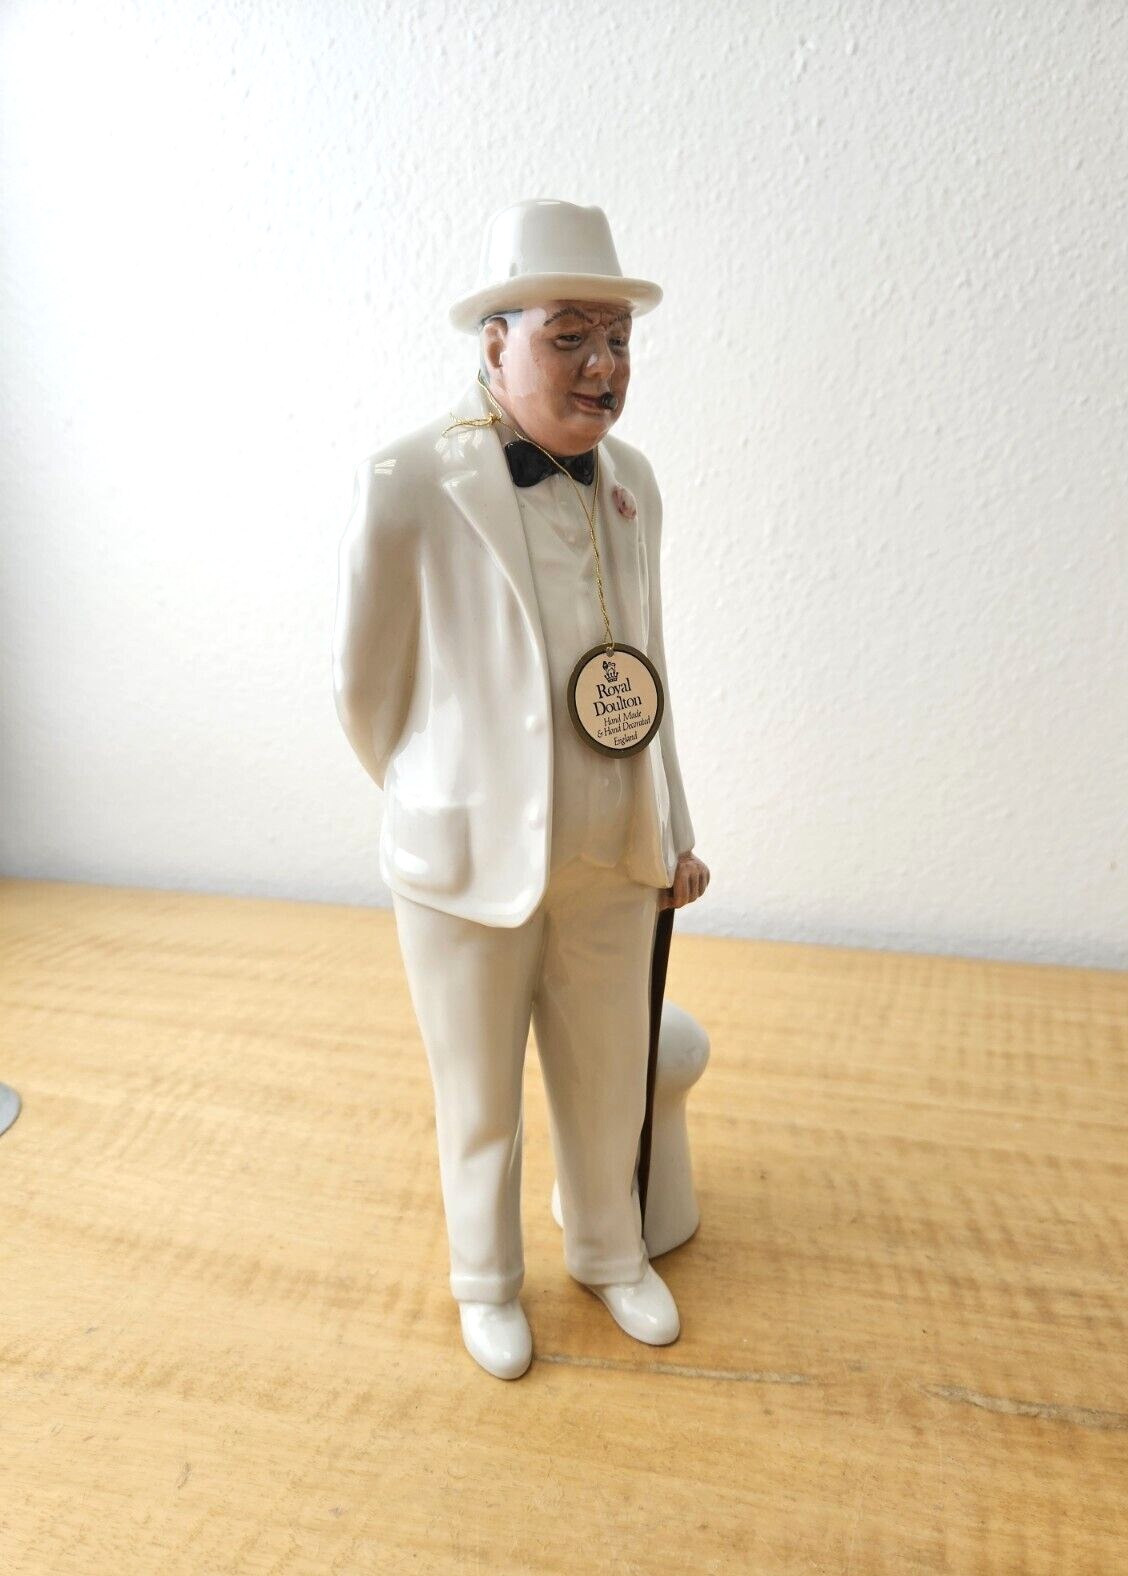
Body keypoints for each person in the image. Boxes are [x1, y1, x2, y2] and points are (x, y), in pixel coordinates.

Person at [333, 199, 709, 1379]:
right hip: (466, 858)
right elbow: (365, 687)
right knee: (480, 1093)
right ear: (494, 344)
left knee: (610, 1076)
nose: (604, 367)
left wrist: (674, 825)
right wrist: (436, 789)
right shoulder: (409, 479)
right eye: (570, 338)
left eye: (619, 340)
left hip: (611, 849)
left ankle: (609, 1250)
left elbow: (646, 666)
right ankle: (487, 1282)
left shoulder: (633, 482)